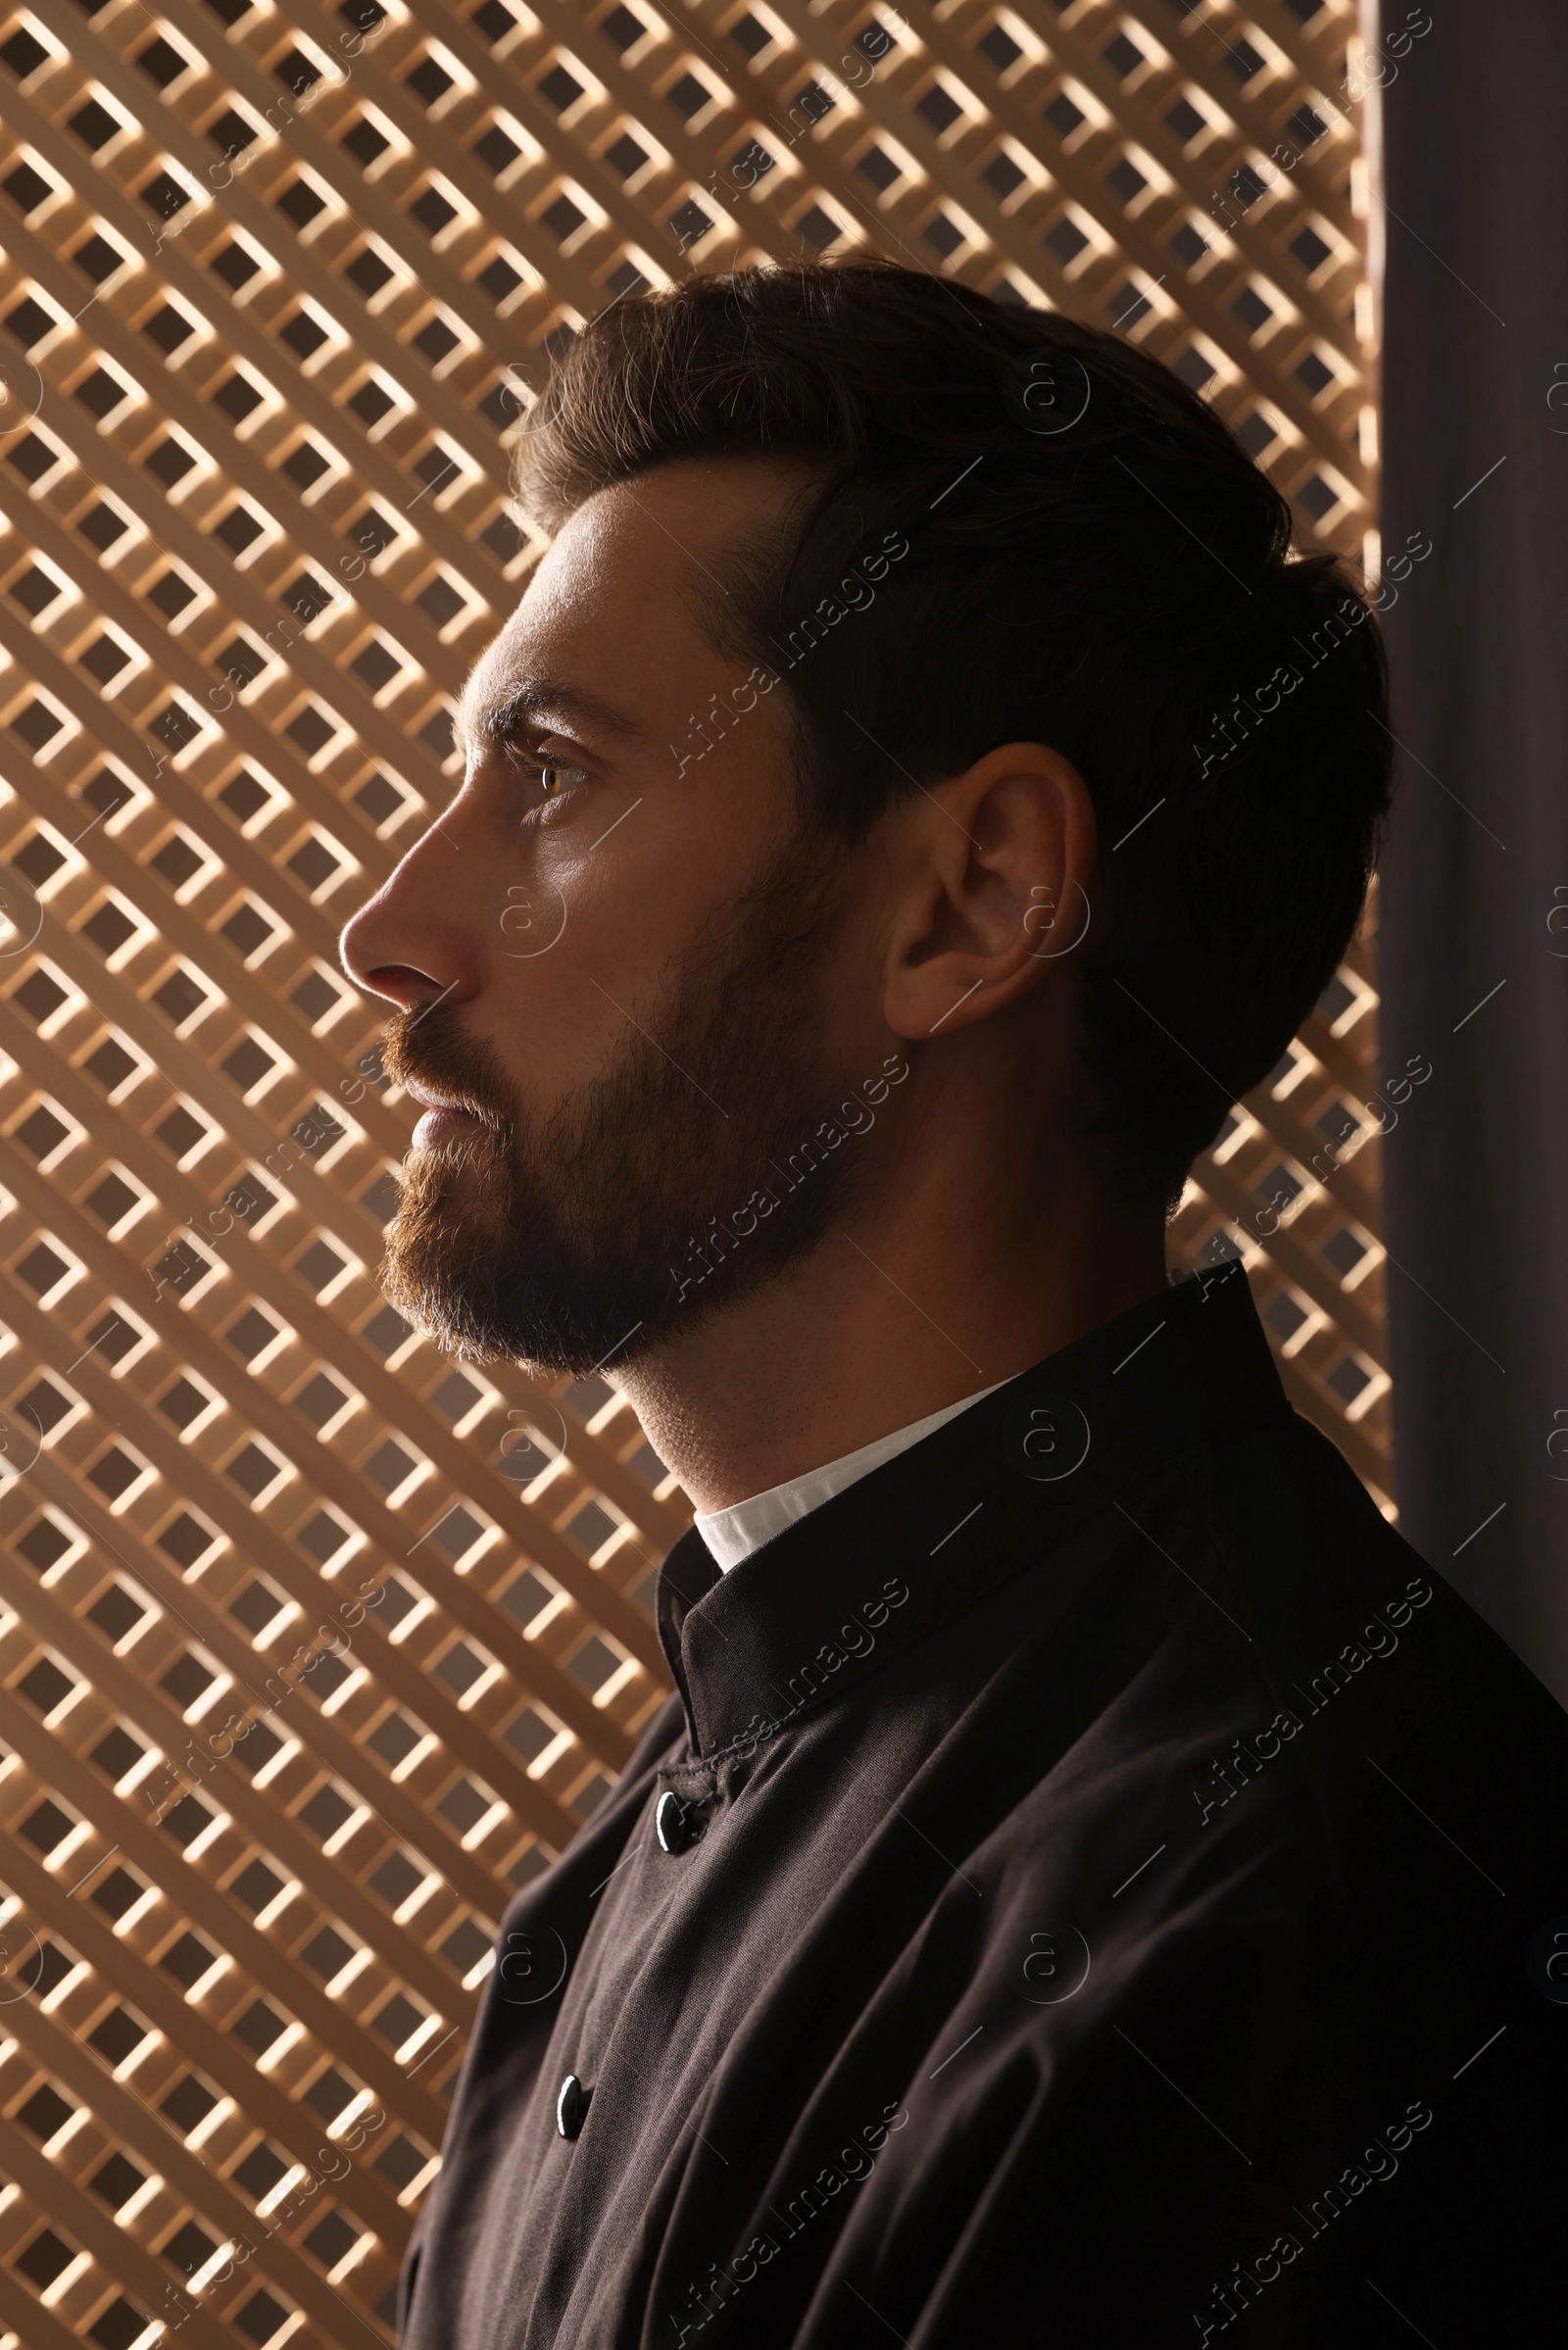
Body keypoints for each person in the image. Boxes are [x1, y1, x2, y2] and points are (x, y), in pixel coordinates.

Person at [338, 262, 1566, 2348]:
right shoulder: (631, 1857)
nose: (391, 926)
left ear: (971, 900)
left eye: (545, 769)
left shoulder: (1300, 1920)